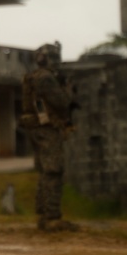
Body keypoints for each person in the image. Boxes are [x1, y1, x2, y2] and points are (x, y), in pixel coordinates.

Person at [20, 42, 79, 232]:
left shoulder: (34, 76)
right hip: (47, 128)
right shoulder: (45, 78)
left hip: (38, 128)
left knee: (46, 172)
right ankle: (52, 217)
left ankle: (44, 215)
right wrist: (69, 89)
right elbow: (62, 102)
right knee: (54, 170)